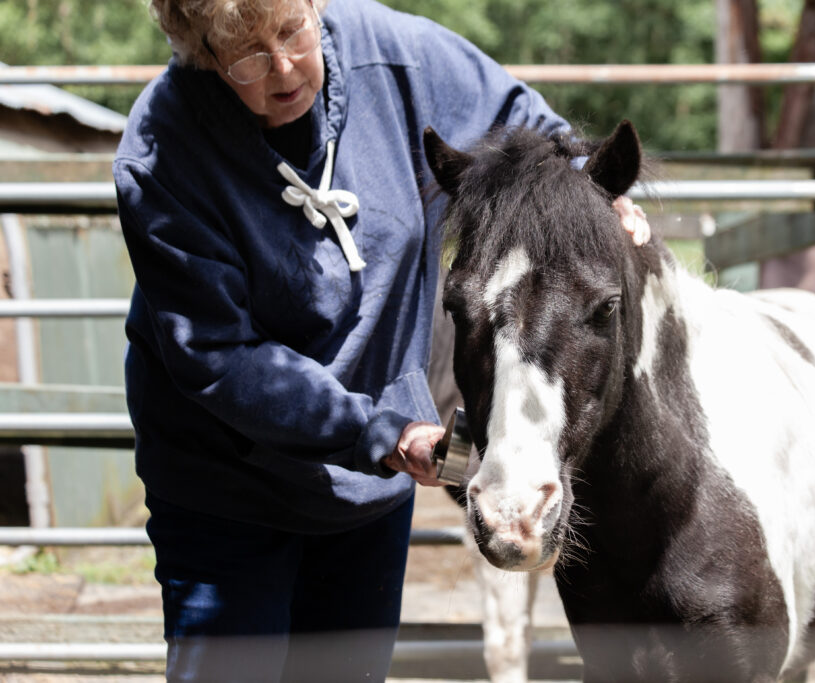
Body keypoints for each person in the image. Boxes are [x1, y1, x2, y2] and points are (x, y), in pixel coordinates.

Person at [114, 0, 649, 680]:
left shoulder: (395, 56)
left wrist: (592, 188)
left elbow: (523, 121)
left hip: (371, 483)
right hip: (228, 484)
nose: (282, 68)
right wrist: (381, 431)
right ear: (201, 55)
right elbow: (220, 356)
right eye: (246, 55)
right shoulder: (161, 155)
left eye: (291, 31)